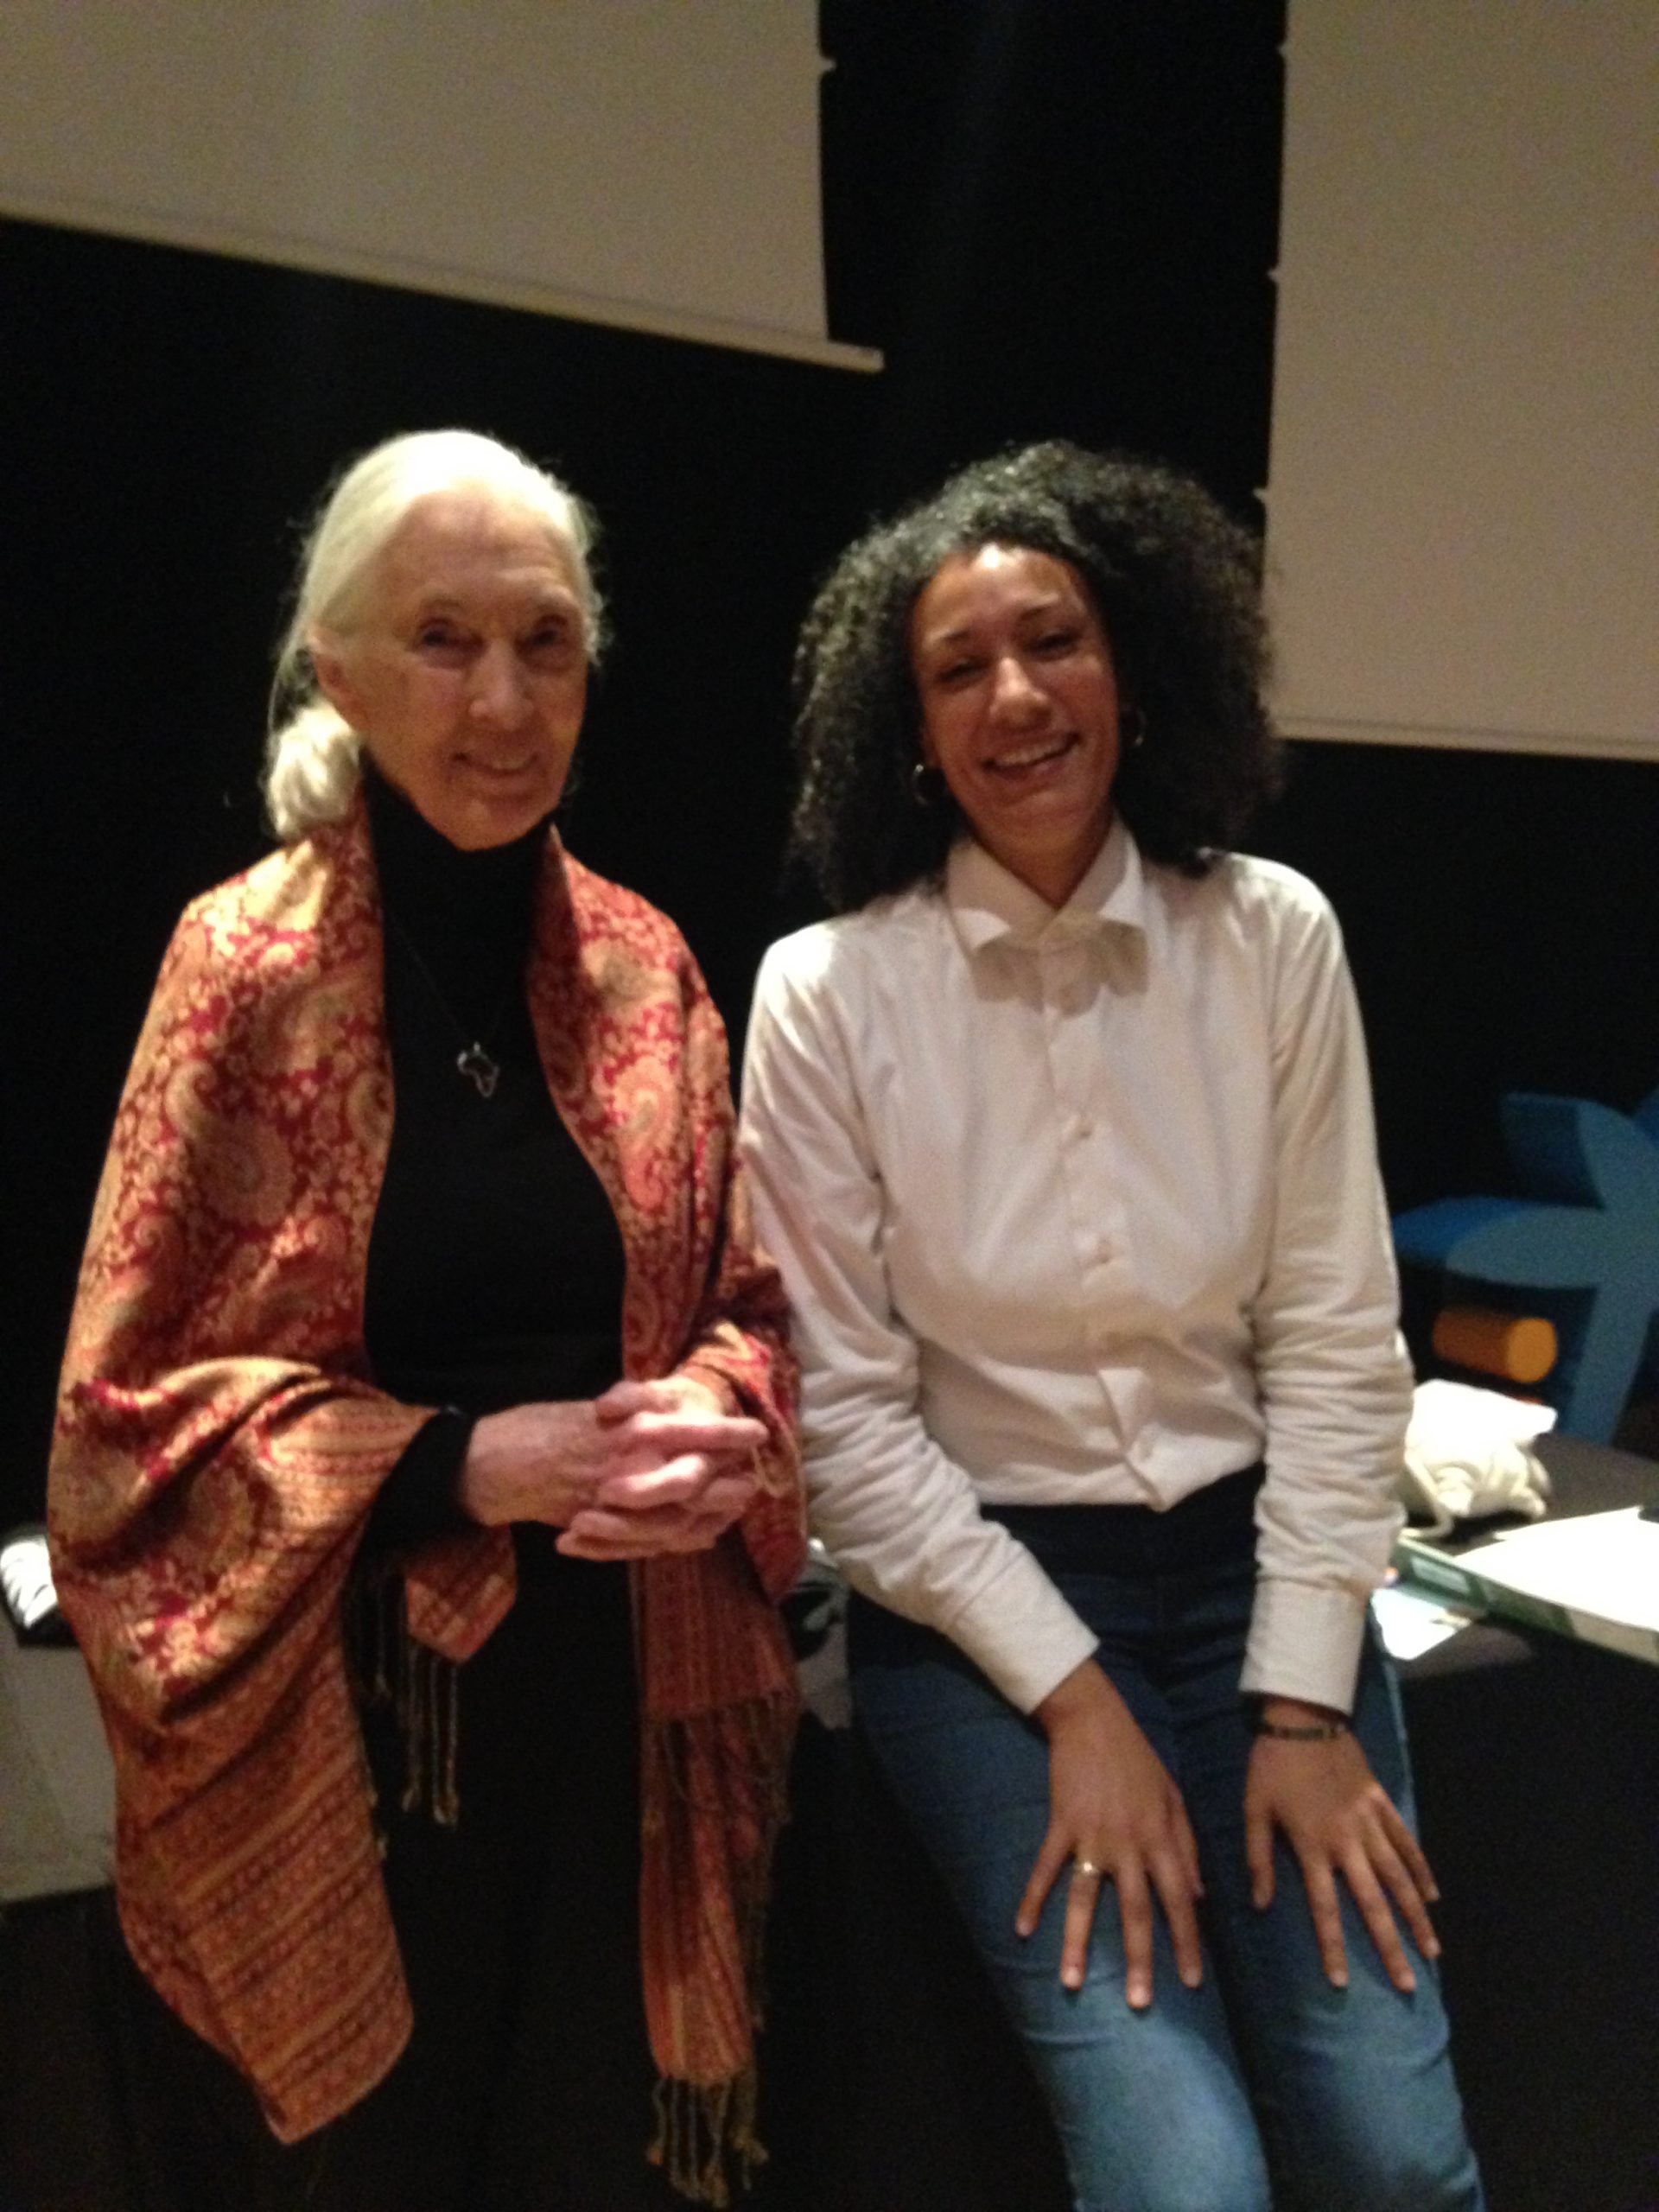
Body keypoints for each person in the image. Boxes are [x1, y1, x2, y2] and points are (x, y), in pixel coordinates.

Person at [48, 429, 804, 2211]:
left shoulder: (650, 967)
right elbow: (119, 1431)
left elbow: (748, 1307)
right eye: (444, 641)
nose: (505, 700)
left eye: (546, 642)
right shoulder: (241, 966)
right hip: (347, 1740)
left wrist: (716, 1414)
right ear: (340, 672)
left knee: (587, 2158)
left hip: (620, 1711)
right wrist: (464, 1462)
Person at [738, 442, 1485, 2212]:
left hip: (1255, 1588)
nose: (1016, 695)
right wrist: (1075, 1700)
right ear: (911, 731)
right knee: (1184, 2183)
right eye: (959, 667)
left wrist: (1302, 1709)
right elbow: (844, 1422)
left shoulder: (1274, 937)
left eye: (1055, 639)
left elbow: (1335, 1338)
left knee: (1394, 2157)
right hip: (986, 1618)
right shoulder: (827, 993)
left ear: (1133, 667)